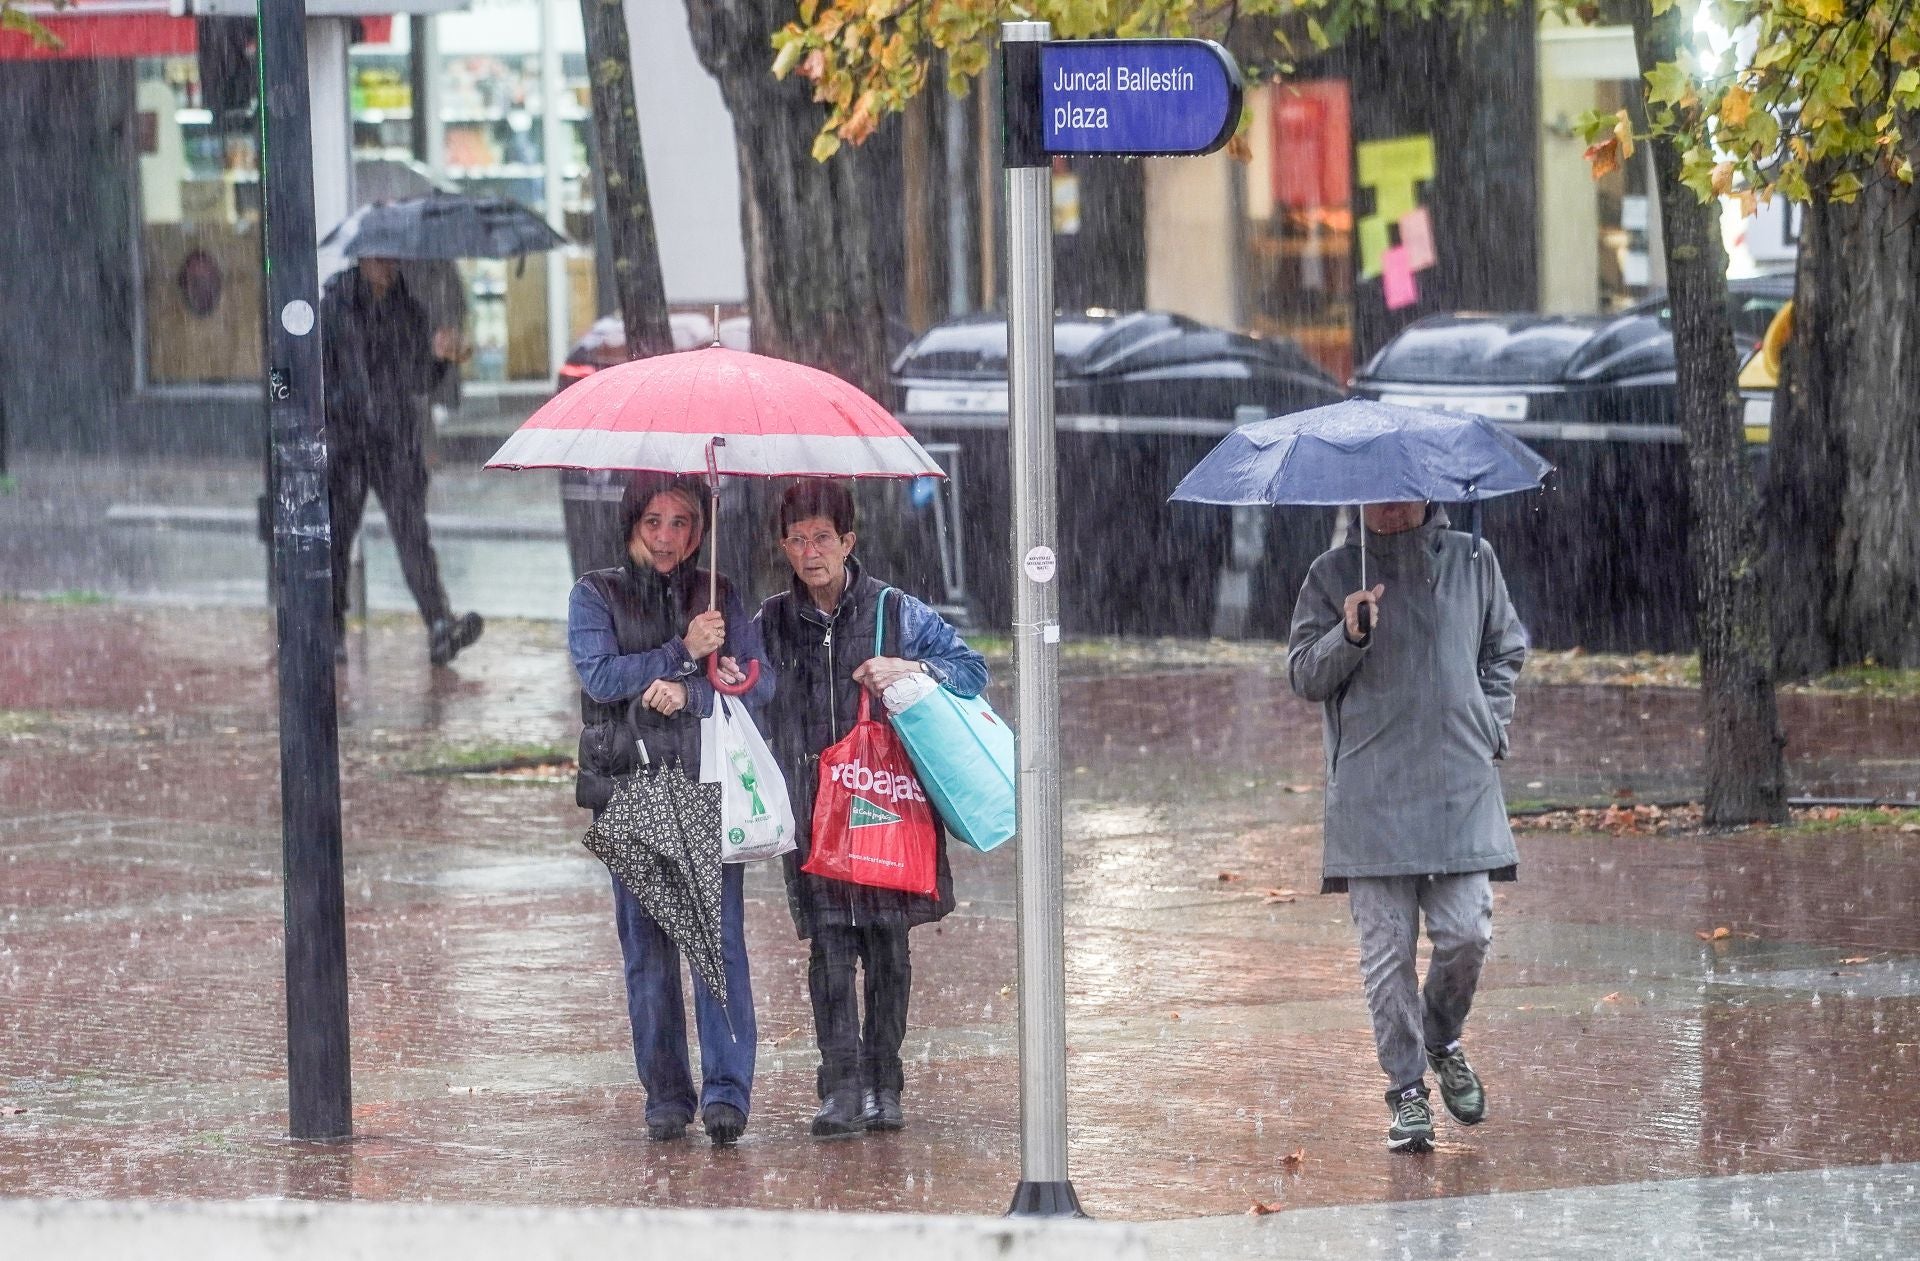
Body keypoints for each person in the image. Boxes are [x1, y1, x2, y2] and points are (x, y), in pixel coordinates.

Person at [1287, 500, 1527, 1154]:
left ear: (1429, 491)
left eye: (1404, 487)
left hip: (1459, 786)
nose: (1390, 502)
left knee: (1467, 931)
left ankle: (1442, 1037)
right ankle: (1407, 1091)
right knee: (1387, 956)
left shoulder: (1476, 560)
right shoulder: (1332, 572)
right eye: (1377, 490)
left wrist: (1490, 724)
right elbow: (1303, 674)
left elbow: (1506, 647)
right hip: (1371, 794)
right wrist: (1349, 634)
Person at [755, 479, 987, 1138]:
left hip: (886, 806)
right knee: (829, 952)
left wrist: (907, 670)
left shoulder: (894, 610)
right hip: (813, 813)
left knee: (887, 950)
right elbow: (743, 683)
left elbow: (970, 671)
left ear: (848, 541)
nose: (810, 551)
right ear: (783, 546)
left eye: (822, 537)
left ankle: (886, 1082)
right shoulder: (771, 620)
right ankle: (842, 1086)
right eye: (797, 539)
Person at [568, 473, 773, 1146]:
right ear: (632, 520)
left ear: (700, 529)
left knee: (718, 947)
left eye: (683, 522)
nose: (667, 536)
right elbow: (600, 677)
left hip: (703, 777)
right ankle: (666, 1093)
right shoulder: (594, 593)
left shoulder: (719, 594)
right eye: (654, 520)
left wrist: (702, 690)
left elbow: (754, 682)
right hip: (631, 782)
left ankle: (725, 1092)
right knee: (648, 955)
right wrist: (679, 651)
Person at [320, 254, 483, 667]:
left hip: (395, 442)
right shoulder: (335, 304)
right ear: (362, 258)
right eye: (379, 258)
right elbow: (318, 371)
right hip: (348, 441)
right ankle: (331, 629)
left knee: (413, 535)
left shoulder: (407, 308)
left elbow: (418, 380)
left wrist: (441, 358)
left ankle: (440, 625)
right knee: (338, 537)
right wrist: (343, 408)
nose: (387, 267)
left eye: (393, 259)